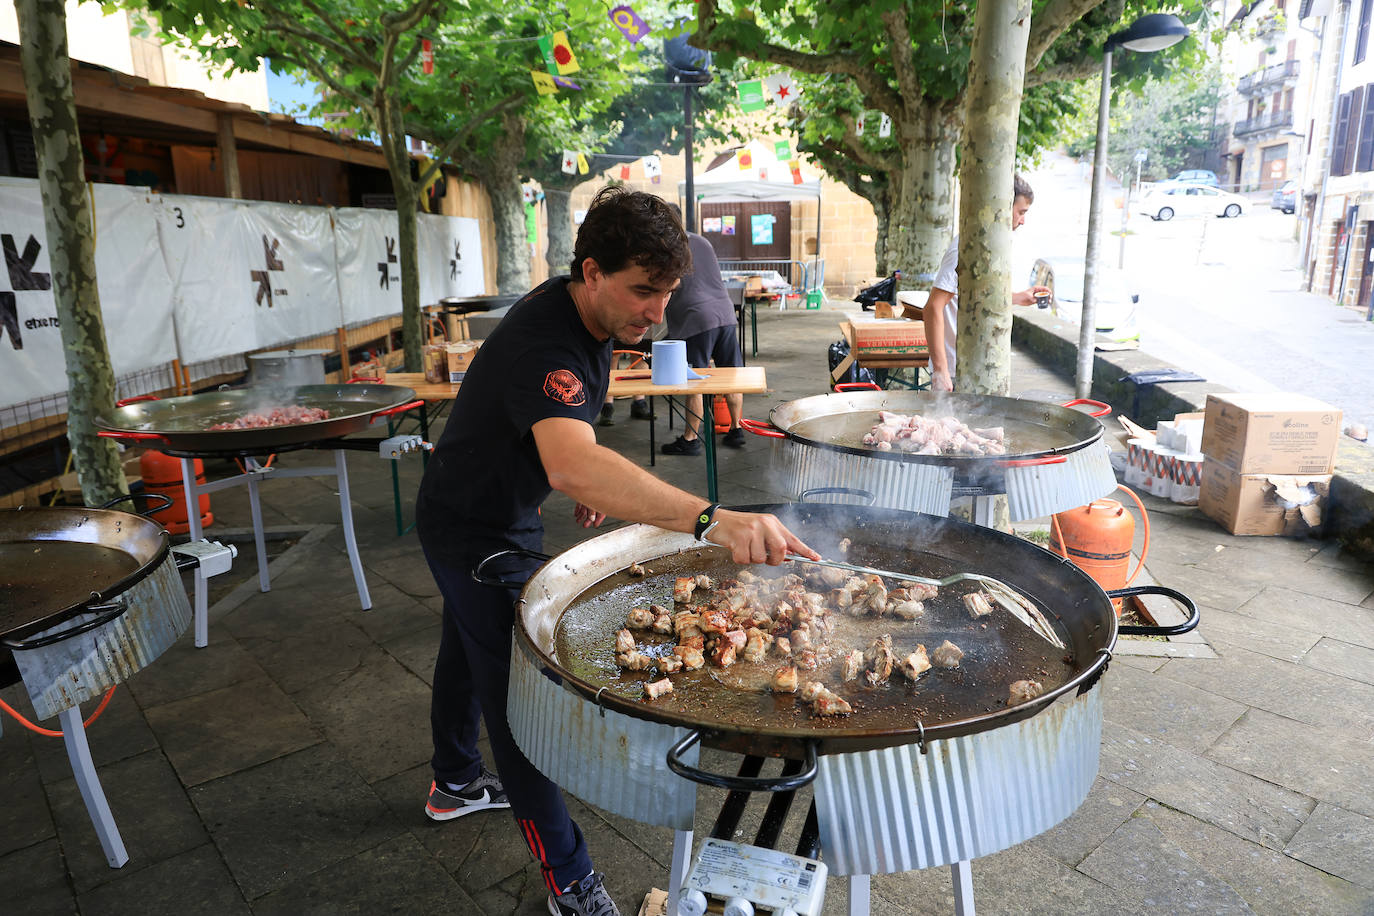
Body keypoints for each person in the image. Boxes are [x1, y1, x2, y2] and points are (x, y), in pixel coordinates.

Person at [414, 187, 818, 916]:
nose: (658, 313)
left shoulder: (584, 313)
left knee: (466, 646)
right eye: (642, 291)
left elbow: (566, 441)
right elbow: (571, 456)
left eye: (668, 292)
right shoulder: (546, 340)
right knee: (521, 709)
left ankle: (451, 781)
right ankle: (569, 881)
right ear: (592, 270)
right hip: (472, 530)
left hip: (486, 508)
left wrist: (581, 472)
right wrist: (710, 519)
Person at [923, 174, 1049, 392]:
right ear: (1001, 207)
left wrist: (1019, 297)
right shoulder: (963, 247)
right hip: (957, 371)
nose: (1023, 220)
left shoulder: (991, 245)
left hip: (982, 368)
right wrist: (941, 371)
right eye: (1021, 212)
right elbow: (933, 307)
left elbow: (974, 298)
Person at [659, 204, 747, 456]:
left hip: (695, 319)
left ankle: (690, 440)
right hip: (725, 313)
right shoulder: (702, 241)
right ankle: (736, 429)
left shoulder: (665, 247)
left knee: (694, 380)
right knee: (731, 375)